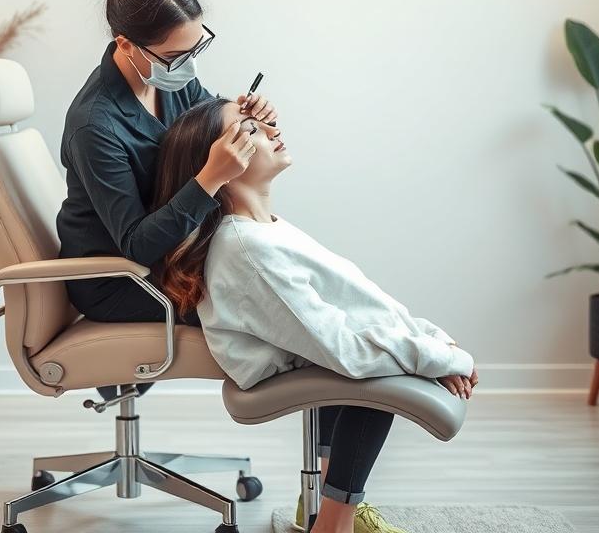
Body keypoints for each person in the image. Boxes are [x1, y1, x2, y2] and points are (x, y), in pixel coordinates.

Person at [149, 97, 480, 533]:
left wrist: (434, 342)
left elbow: (357, 302)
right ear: (222, 165)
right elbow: (345, 350)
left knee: (383, 354)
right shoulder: (249, 249)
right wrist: (437, 358)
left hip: (315, 346)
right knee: (379, 377)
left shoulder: (266, 228)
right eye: (249, 131)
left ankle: (324, 504)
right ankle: (333, 525)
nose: (270, 130)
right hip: (291, 362)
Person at [55, 0, 279, 327]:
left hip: (175, 254)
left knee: (278, 278)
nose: (188, 68)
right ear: (126, 45)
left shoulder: (172, 81)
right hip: (122, 280)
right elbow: (136, 246)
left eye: (196, 48)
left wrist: (246, 116)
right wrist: (211, 178)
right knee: (266, 303)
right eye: (176, 56)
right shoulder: (95, 126)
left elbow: (209, 126)